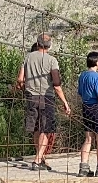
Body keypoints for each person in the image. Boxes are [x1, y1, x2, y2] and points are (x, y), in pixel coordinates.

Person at [15, 33, 71, 171]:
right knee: (46, 129)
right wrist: (65, 102)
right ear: (49, 45)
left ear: (38, 43)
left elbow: (20, 79)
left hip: (31, 96)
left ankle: (40, 157)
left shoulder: (28, 57)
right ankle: (38, 160)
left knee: (36, 128)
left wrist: (25, 88)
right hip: (47, 97)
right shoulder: (52, 60)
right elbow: (57, 84)